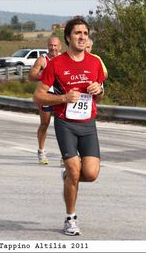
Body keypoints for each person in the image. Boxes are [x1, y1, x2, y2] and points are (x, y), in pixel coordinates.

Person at [33, 17, 105, 236]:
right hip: (65, 123)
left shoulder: (94, 62)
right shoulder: (56, 63)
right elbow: (38, 95)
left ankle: (68, 178)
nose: (82, 37)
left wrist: (98, 90)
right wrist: (63, 98)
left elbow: (100, 96)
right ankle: (70, 218)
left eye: (85, 33)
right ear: (68, 37)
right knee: (74, 169)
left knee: (90, 174)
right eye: (77, 33)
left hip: (88, 124)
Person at [28, 36, 62, 164]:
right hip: (46, 95)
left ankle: (65, 155)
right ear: (48, 46)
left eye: (55, 46)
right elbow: (31, 76)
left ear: (60, 47)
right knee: (45, 123)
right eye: (51, 45)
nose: (53, 48)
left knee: (63, 125)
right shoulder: (42, 60)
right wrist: (44, 76)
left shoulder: (63, 59)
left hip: (60, 96)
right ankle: (41, 151)